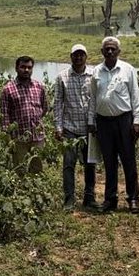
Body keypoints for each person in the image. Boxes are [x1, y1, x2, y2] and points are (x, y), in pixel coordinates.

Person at [88, 35, 139, 212]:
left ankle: (133, 198)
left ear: (118, 51)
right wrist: (91, 121)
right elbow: (93, 99)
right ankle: (110, 200)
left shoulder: (127, 69)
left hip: (124, 120)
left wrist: (137, 120)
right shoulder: (96, 71)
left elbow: (135, 96)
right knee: (109, 162)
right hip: (103, 122)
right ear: (102, 52)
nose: (110, 51)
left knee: (128, 160)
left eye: (113, 49)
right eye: (106, 49)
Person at [55, 43, 97, 209]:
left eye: (81, 55)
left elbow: (96, 99)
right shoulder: (62, 77)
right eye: (75, 55)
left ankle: (89, 197)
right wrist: (58, 127)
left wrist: (94, 123)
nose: (78, 58)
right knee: (68, 165)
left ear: (86, 57)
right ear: (71, 57)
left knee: (90, 164)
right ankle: (69, 198)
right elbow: (58, 103)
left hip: (89, 128)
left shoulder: (94, 74)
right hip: (69, 129)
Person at [0, 55, 48, 174]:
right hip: (19, 138)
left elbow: (44, 108)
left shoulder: (39, 87)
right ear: (16, 68)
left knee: (38, 171)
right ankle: (22, 192)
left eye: (29, 67)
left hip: (37, 137)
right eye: (23, 67)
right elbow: (4, 117)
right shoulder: (8, 89)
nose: (26, 70)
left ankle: (37, 192)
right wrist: (8, 140)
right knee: (20, 171)